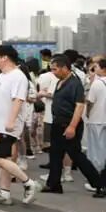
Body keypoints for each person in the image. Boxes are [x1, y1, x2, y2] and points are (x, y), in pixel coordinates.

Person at [0, 45, 42, 206]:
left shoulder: (18, 76)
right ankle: (4, 193)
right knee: (4, 159)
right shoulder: (2, 76)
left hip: (6, 126)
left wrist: (11, 121)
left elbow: (18, 100)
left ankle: (29, 183)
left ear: (5, 57)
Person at [42, 56, 105, 196]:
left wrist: (72, 126)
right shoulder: (60, 81)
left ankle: (100, 184)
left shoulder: (74, 83)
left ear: (64, 68)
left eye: (55, 69)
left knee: (76, 155)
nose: (53, 72)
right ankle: (54, 184)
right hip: (58, 123)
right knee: (55, 154)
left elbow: (79, 106)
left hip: (69, 124)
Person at [84, 59, 106, 188]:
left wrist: (87, 113)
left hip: (96, 119)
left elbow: (90, 102)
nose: (94, 69)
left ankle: (96, 180)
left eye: (96, 67)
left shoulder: (97, 84)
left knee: (96, 151)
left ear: (103, 68)